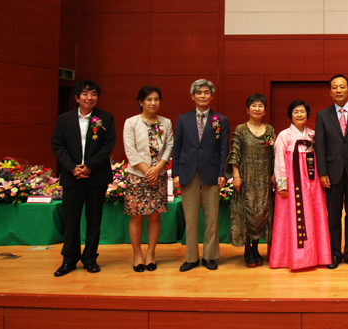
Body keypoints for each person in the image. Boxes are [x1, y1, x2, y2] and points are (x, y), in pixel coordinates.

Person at [51, 80, 116, 277]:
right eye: (86, 94)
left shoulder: (105, 118)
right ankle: (69, 259)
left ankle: (90, 258)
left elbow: (108, 146)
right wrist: (72, 167)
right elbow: (58, 145)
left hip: (96, 176)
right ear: (77, 98)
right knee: (71, 219)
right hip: (72, 177)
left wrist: (89, 166)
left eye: (94, 94)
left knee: (94, 219)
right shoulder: (64, 119)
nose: (90, 97)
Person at [172, 79, 229, 272]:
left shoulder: (221, 120)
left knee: (211, 217)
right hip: (187, 171)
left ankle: (209, 256)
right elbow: (177, 148)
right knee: (190, 217)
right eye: (199, 93)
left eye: (206, 92)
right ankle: (191, 258)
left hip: (212, 172)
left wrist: (222, 172)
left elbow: (224, 149)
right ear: (192, 96)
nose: (202, 96)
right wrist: (176, 173)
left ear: (212, 96)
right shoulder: (183, 119)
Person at [314, 75, 348, 269]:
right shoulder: (322, 115)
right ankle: (335, 253)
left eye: (342, 87)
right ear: (330, 92)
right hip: (332, 173)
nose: (338, 90)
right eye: (335, 87)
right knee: (333, 216)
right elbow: (320, 146)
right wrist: (322, 172)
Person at [271, 100, 331, 269]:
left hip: (312, 183)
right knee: (291, 216)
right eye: (296, 112)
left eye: (302, 111)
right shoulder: (284, 135)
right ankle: (290, 258)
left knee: (314, 215)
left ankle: (317, 257)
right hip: (292, 183)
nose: (299, 115)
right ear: (290, 115)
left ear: (307, 114)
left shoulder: (313, 135)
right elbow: (279, 161)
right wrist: (282, 184)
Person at [122, 86, 174, 272]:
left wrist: (158, 168)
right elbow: (130, 150)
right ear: (140, 102)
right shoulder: (131, 122)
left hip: (158, 175)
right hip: (137, 176)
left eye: (156, 99)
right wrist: (147, 171)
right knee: (136, 217)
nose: (153, 103)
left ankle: (151, 253)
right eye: (149, 99)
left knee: (154, 215)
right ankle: (137, 255)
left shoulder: (165, 122)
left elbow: (169, 146)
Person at [225, 93, 275, 268]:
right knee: (245, 213)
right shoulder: (240, 129)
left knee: (261, 214)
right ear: (247, 109)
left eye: (260, 106)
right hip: (245, 178)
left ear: (265, 110)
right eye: (254, 105)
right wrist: (236, 176)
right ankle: (247, 250)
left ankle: (255, 248)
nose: (257, 109)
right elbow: (234, 154)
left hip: (264, 179)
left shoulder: (269, 130)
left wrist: (274, 174)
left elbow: (274, 154)